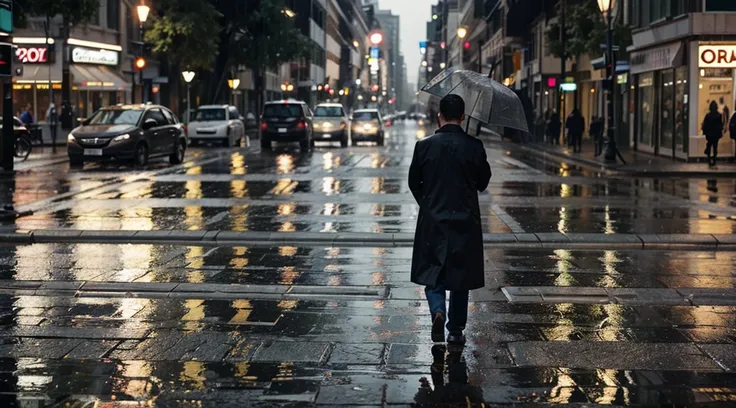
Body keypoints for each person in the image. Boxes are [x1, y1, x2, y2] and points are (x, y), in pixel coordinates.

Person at [408, 94, 492, 345]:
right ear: (463, 116)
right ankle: (455, 328)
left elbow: (414, 183)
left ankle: (437, 310)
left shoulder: (424, 146)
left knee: (433, 270)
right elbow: (483, 182)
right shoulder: (474, 145)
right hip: (465, 220)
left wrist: (429, 204)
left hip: (433, 219)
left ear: (439, 116)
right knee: (460, 275)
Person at [702, 100, 723, 167]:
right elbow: (720, 125)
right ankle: (714, 160)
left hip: (709, 134)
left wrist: (704, 132)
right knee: (715, 147)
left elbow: (705, 125)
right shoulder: (719, 115)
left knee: (709, 145)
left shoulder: (708, 115)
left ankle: (709, 160)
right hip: (716, 134)